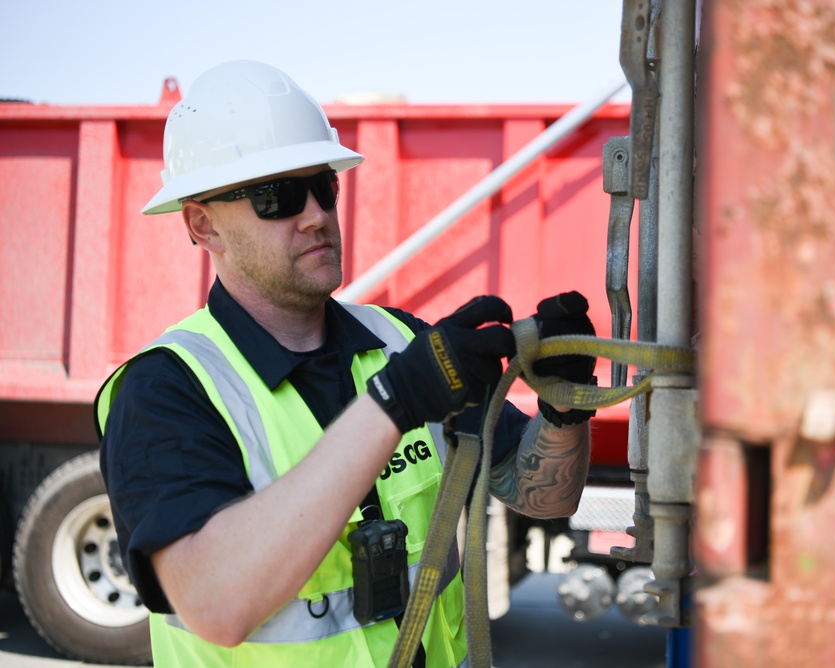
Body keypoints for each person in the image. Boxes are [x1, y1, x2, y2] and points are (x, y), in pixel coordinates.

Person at [95, 60, 596, 668]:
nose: (315, 214)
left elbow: (542, 498)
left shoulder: (399, 340)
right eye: (275, 195)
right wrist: (394, 405)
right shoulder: (165, 389)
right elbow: (214, 603)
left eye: (323, 186)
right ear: (204, 225)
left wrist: (565, 407)